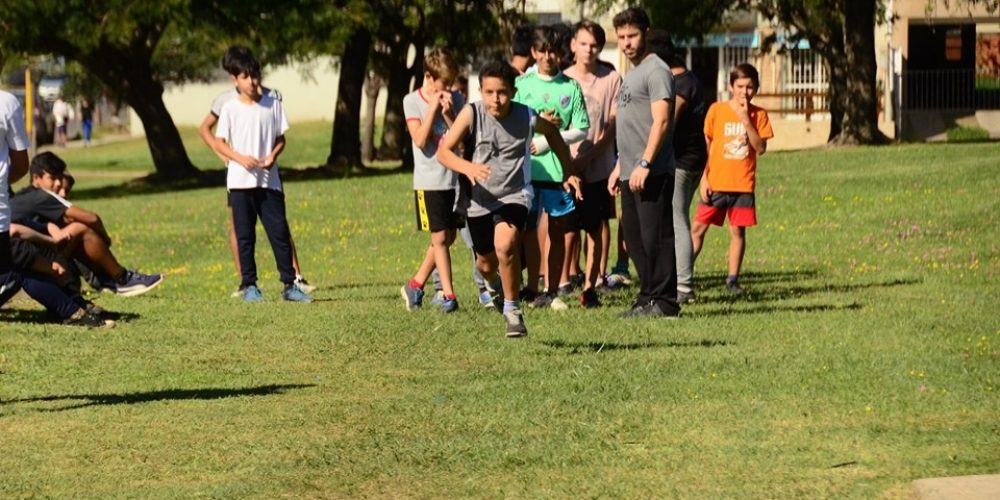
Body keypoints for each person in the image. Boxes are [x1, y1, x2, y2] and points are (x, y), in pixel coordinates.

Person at [437, 61, 573, 337]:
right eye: (488, 92)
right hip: (479, 199)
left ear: (512, 91)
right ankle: (493, 286)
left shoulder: (527, 116)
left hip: (515, 194)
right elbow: (444, 152)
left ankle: (513, 311)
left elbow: (553, 134)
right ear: (480, 91)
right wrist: (469, 168)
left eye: (501, 92)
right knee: (485, 264)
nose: (495, 99)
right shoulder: (471, 114)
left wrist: (568, 170)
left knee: (507, 244)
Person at [198, 45, 315, 297]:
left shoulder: (273, 101)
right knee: (244, 234)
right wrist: (232, 158)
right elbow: (216, 138)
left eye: (254, 75)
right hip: (240, 182)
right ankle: (248, 285)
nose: (252, 82)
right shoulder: (227, 104)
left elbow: (280, 138)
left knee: (279, 231)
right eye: (245, 76)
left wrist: (272, 156)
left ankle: (291, 283)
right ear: (234, 77)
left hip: (268, 182)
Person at [1, 90, 109, 327]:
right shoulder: (6, 102)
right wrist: (50, 264)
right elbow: (15, 233)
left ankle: (76, 305)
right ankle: (75, 309)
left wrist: (49, 234)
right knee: (22, 267)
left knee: (29, 259)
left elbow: (20, 228)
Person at [608, 7, 681, 319]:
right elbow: (629, 125)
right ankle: (646, 296)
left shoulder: (656, 70)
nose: (626, 43)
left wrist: (646, 162)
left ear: (646, 33)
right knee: (635, 239)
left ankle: (665, 302)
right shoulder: (633, 73)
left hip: (651, 170)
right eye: (621, 37)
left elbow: (662, 122)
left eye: (632, 35)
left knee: (656, 237)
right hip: (629, 169)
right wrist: (619, 166)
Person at [11, 152, 164, 297]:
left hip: (18, 257)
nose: (58, 183)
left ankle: (101, 278)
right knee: (79, 228)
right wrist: (104, 239)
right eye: (52, 178)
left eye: (59, 177)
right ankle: (122, 278)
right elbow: (92, 218)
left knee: (68, 230)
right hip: (23, 259)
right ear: (36, 178)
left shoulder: (24, 196)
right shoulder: (42, 196)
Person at [514, 25, 589, 311]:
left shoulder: (570, 87)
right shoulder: (521, 85)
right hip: (526, 172)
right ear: (533, 52)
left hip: (559, 173)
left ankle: (553, 289)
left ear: (561, 53)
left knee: (557, 231)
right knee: (527, 232)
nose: (548, 56)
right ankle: (529, 287)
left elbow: (581, 129)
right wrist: (537, 124)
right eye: (542, 50)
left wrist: (548, 141)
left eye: (553, 50)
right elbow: (510, 125)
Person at [691, 63, 774, 296]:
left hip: (742, 185)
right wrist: (703, 178)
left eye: (749, 87)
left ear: (756, 88)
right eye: (740, 86)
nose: (744, 92)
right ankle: (683, 275)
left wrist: (746, 119)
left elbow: (760, 148)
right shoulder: (716, 110)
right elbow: (707, 146)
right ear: (730, 86)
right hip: (716, 182)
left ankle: (732, 280)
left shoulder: (759, 115)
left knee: (737, 232)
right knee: (697, 229)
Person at [399, 48, 464, 313]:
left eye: (451, 83)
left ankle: (414, 285)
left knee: (448, 239)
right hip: (429, 181)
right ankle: (448, 295)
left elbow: (460, 138)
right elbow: (420, 139)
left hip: (454, 180)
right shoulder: (411, 101)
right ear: (429, 76)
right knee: (438, 239)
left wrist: (448, 113)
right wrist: (433, 109)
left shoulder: (457, 99)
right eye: (443, 83)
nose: (448, 88)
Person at [564, 20, 621, 308]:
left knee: (595, 229)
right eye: (583, 43)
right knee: (564, 229)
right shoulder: (562, 79)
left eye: (594, 44)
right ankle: (559, 283)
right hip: (565, 169)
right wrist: (568, 164)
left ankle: (590, 286)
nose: (589, 49)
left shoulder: (611, 79)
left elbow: (612, 124)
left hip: (599, 167)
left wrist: (591, 155)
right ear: (573, 44)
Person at [649, 30, 708, 305]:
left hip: (685, 160)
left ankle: (683, 287)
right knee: (675, 216)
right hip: (690, 159)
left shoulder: (681, 84)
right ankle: (676, 280)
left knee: (677, 218)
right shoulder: (686, 78)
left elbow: (667, 121)